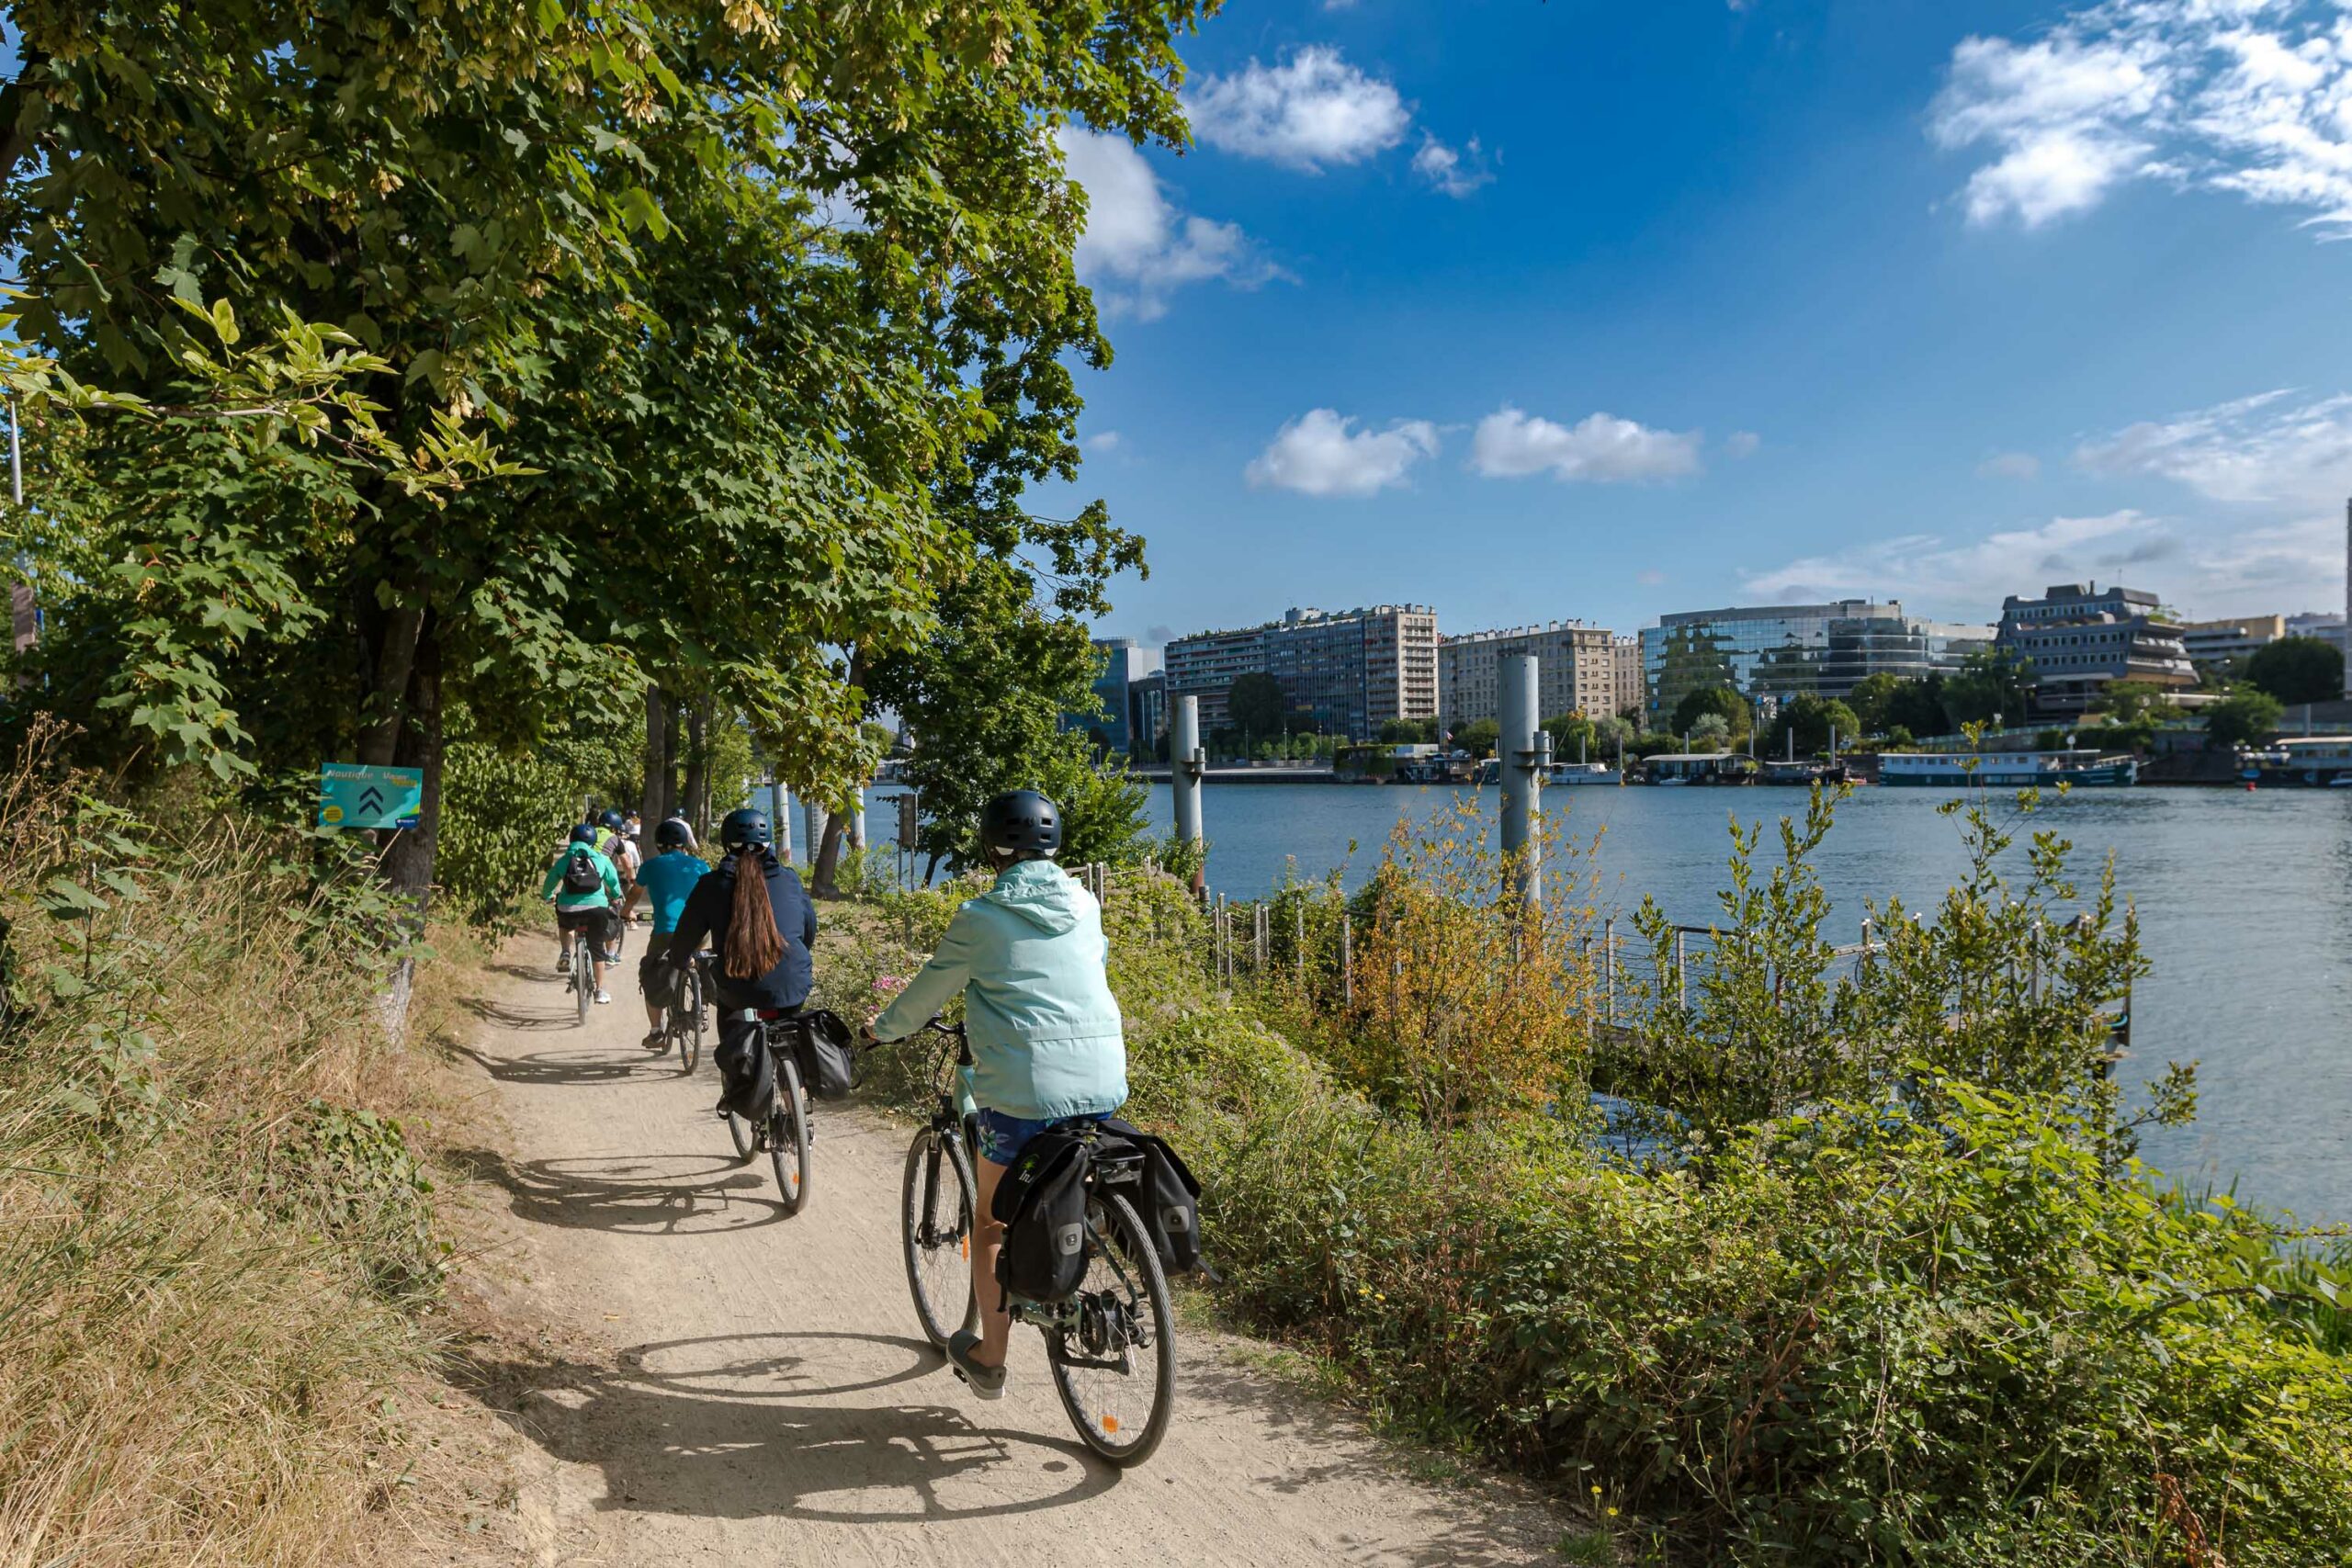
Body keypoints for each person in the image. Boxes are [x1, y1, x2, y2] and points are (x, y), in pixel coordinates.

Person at [865, 790, 1125, 1401]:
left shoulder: (980, 917)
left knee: (991, 1219)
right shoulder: (1086, 904)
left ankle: (990, 1357)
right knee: (1074, 1182)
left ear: (992, 848)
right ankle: (1079, 1258)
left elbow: (929, 992)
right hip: (1102, 1075)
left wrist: (883, 1027)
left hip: (1024, 1088)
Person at [661, 808, 818, 1122]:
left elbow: (687, 935)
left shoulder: (712, 884)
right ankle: (799, 1112)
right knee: (791, 1034)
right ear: (767, 842)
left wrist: (679, 960)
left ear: (725, 842)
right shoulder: (789, 879)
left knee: (732, 1022)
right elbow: (808, 930)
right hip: (791, 983)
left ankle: (739, 1089)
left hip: (738, 987)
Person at [633, 817, 710, 1051]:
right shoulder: (700, 866)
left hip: (666, 931)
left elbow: (633, 895)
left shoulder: (650, 866)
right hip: (699, 930)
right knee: (698, 959)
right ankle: (701, 1003)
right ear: (684, 843)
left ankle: (656, 1031)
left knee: (651, 972)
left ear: (659, 843)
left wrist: (627, 913)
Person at [542, 823, 624, 1003]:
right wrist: (617, 897)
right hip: (597, 910)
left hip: (568, 908)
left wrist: (548, 896)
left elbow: (550, 880)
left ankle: (565, 952)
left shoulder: (565, 860)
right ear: (594, 841)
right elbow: (613, 883)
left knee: (565, 925)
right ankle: (600, 990)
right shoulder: (602, 859)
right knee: (597, 949)